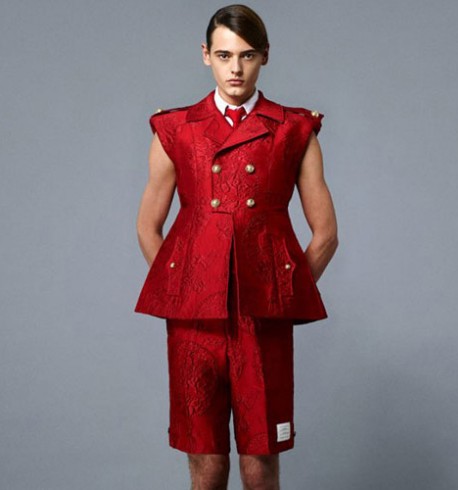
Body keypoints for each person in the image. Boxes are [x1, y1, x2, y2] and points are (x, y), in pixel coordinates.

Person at [135, 4, 338, 489]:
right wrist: (184, 288)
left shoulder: (294, 129)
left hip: (262, 316)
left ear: (265, 56)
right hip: (195, 320)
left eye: (247, 55)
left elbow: (326, 234)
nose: (236, 69)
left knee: (259, 464)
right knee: (206, 463)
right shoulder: (175, 128)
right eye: (224, 55)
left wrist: (284, 293)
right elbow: (147, 227)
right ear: (206, 55)